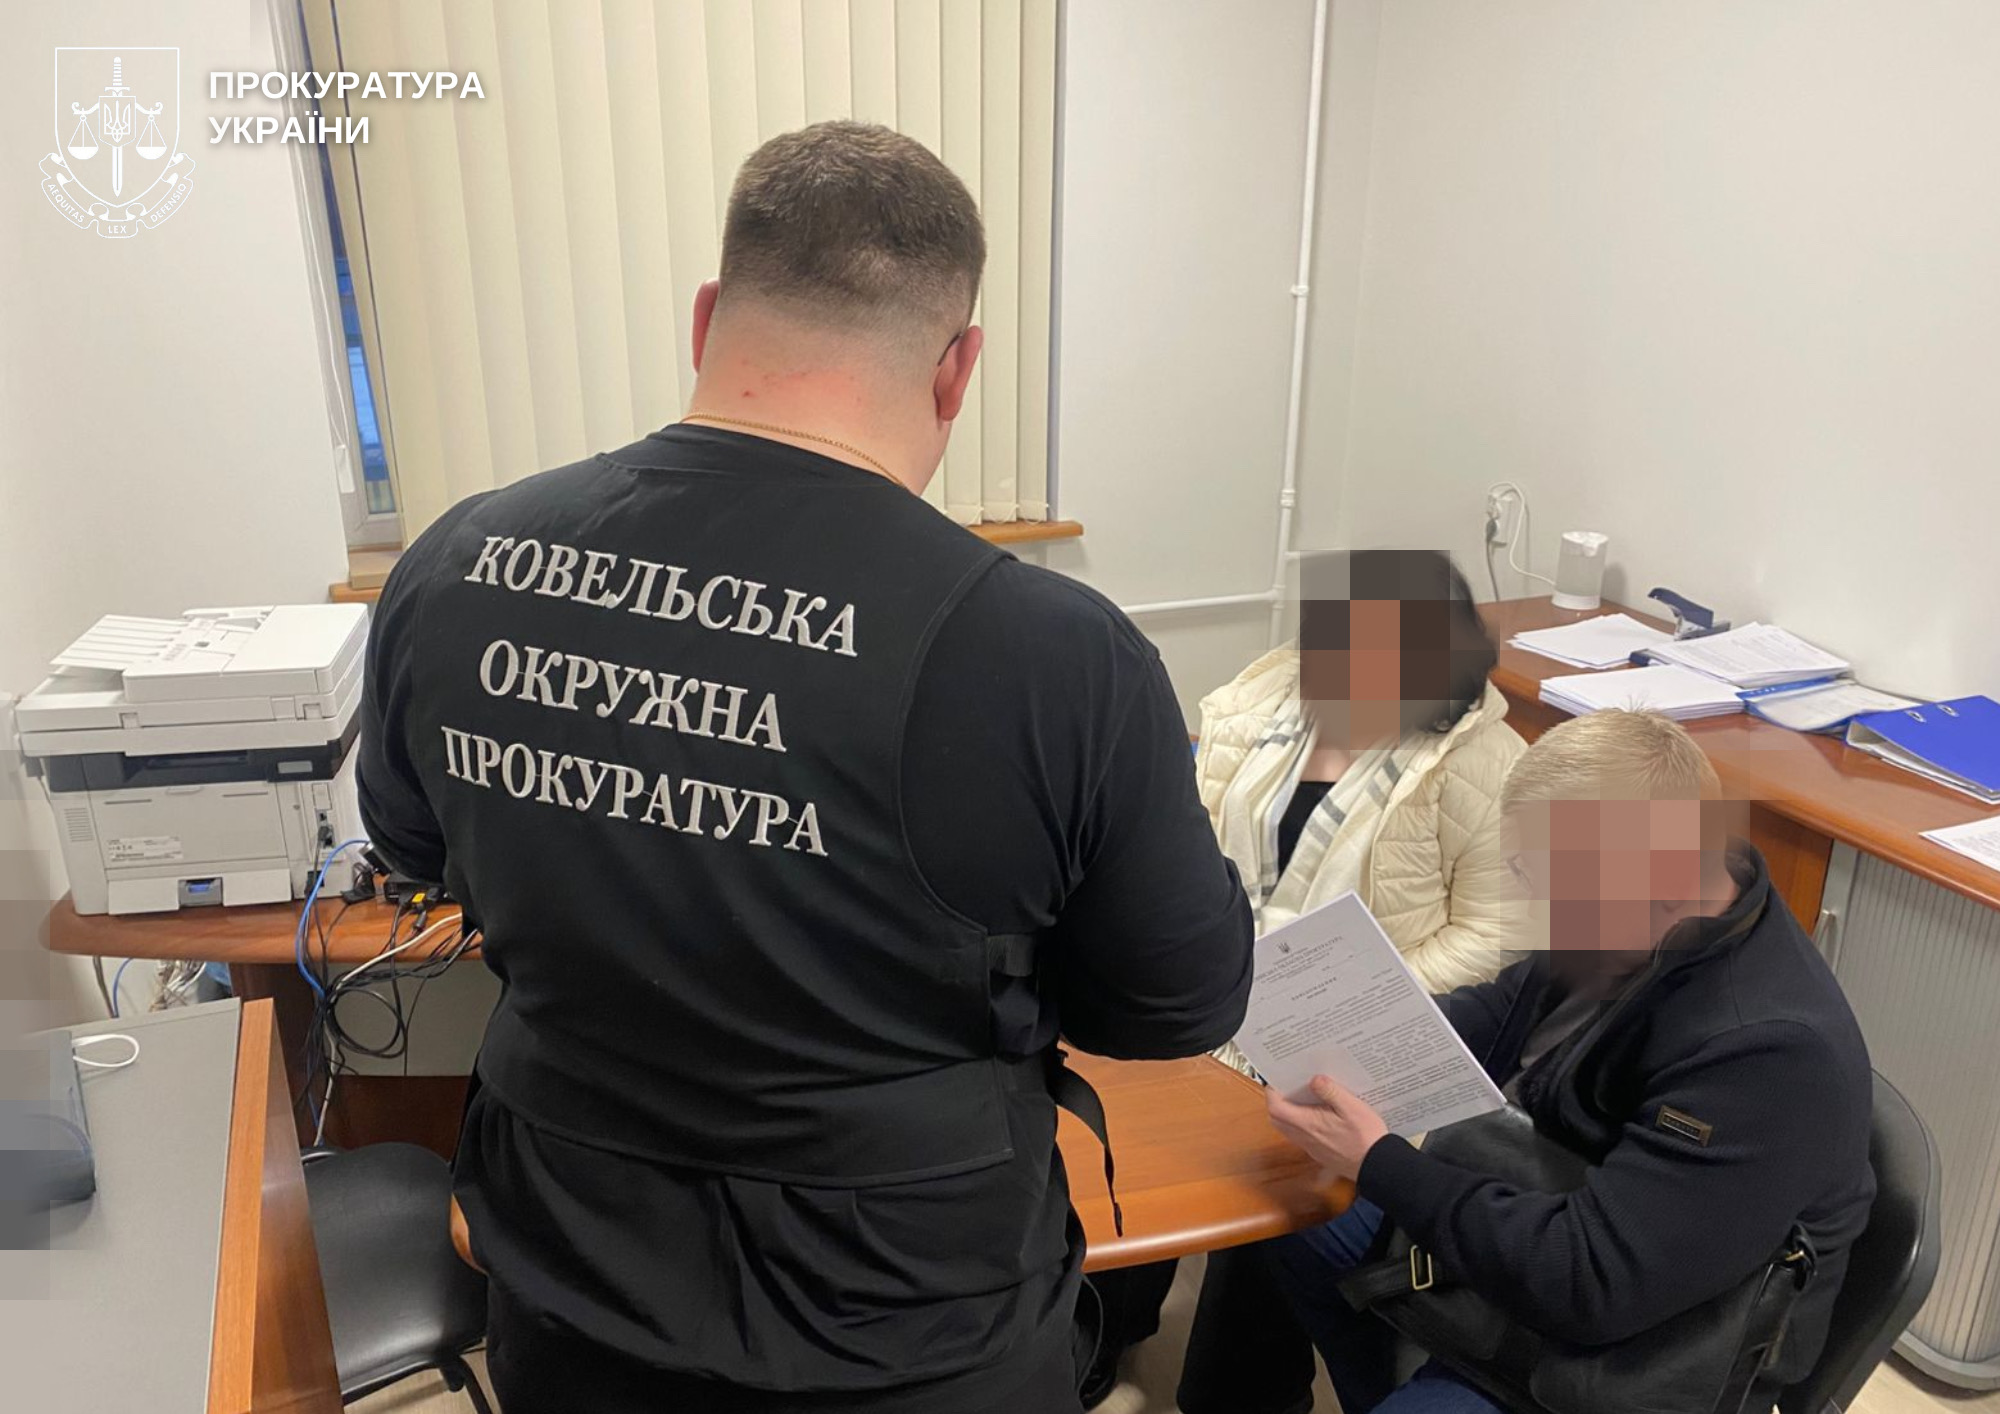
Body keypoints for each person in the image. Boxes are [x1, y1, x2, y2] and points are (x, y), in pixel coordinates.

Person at [358, 120, 1254, 1414]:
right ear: (957, 369)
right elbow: (1177, 1001)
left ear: (707, 318)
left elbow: (417, 848)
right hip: (901, 1319)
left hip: (572, 1274)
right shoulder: (1051, 652)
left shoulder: (457, 561)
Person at [1177, 709, 1875, 1414]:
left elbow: (1591, 1286)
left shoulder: (1769, 1055)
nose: (1543, 902)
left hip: (1624, 1350)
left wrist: (1379, 1160)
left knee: (1348, 1194)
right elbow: (1488, 1017)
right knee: (1279, 1185)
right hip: (1541, 1221)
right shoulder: (1621, 922)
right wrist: (1329, 1029)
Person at [1085, 548, 1527, 1403]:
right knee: (1129, 1146)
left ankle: (1236, 1395)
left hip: (1354, 1032)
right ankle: (1105, 1336)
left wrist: (1345, 997)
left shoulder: (1486, 761)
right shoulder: (1261, 707)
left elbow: (1497, 936)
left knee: (1276, 1187)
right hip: (1215, 991)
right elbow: (1186, 837)